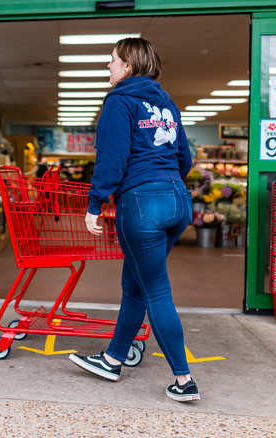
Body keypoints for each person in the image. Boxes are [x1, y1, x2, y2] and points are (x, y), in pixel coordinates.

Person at [67, 38, 198, 402]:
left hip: (141, 204)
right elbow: (184, 157)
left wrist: (95, 203)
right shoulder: (167, 103)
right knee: (137, 283)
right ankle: (112, 358)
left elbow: (112, 159)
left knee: (155, 289)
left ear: (127, 66)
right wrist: (166, 182)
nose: (108, 67)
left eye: (111, 61)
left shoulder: (118, 102)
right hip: (177, 201)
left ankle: (184, 380)